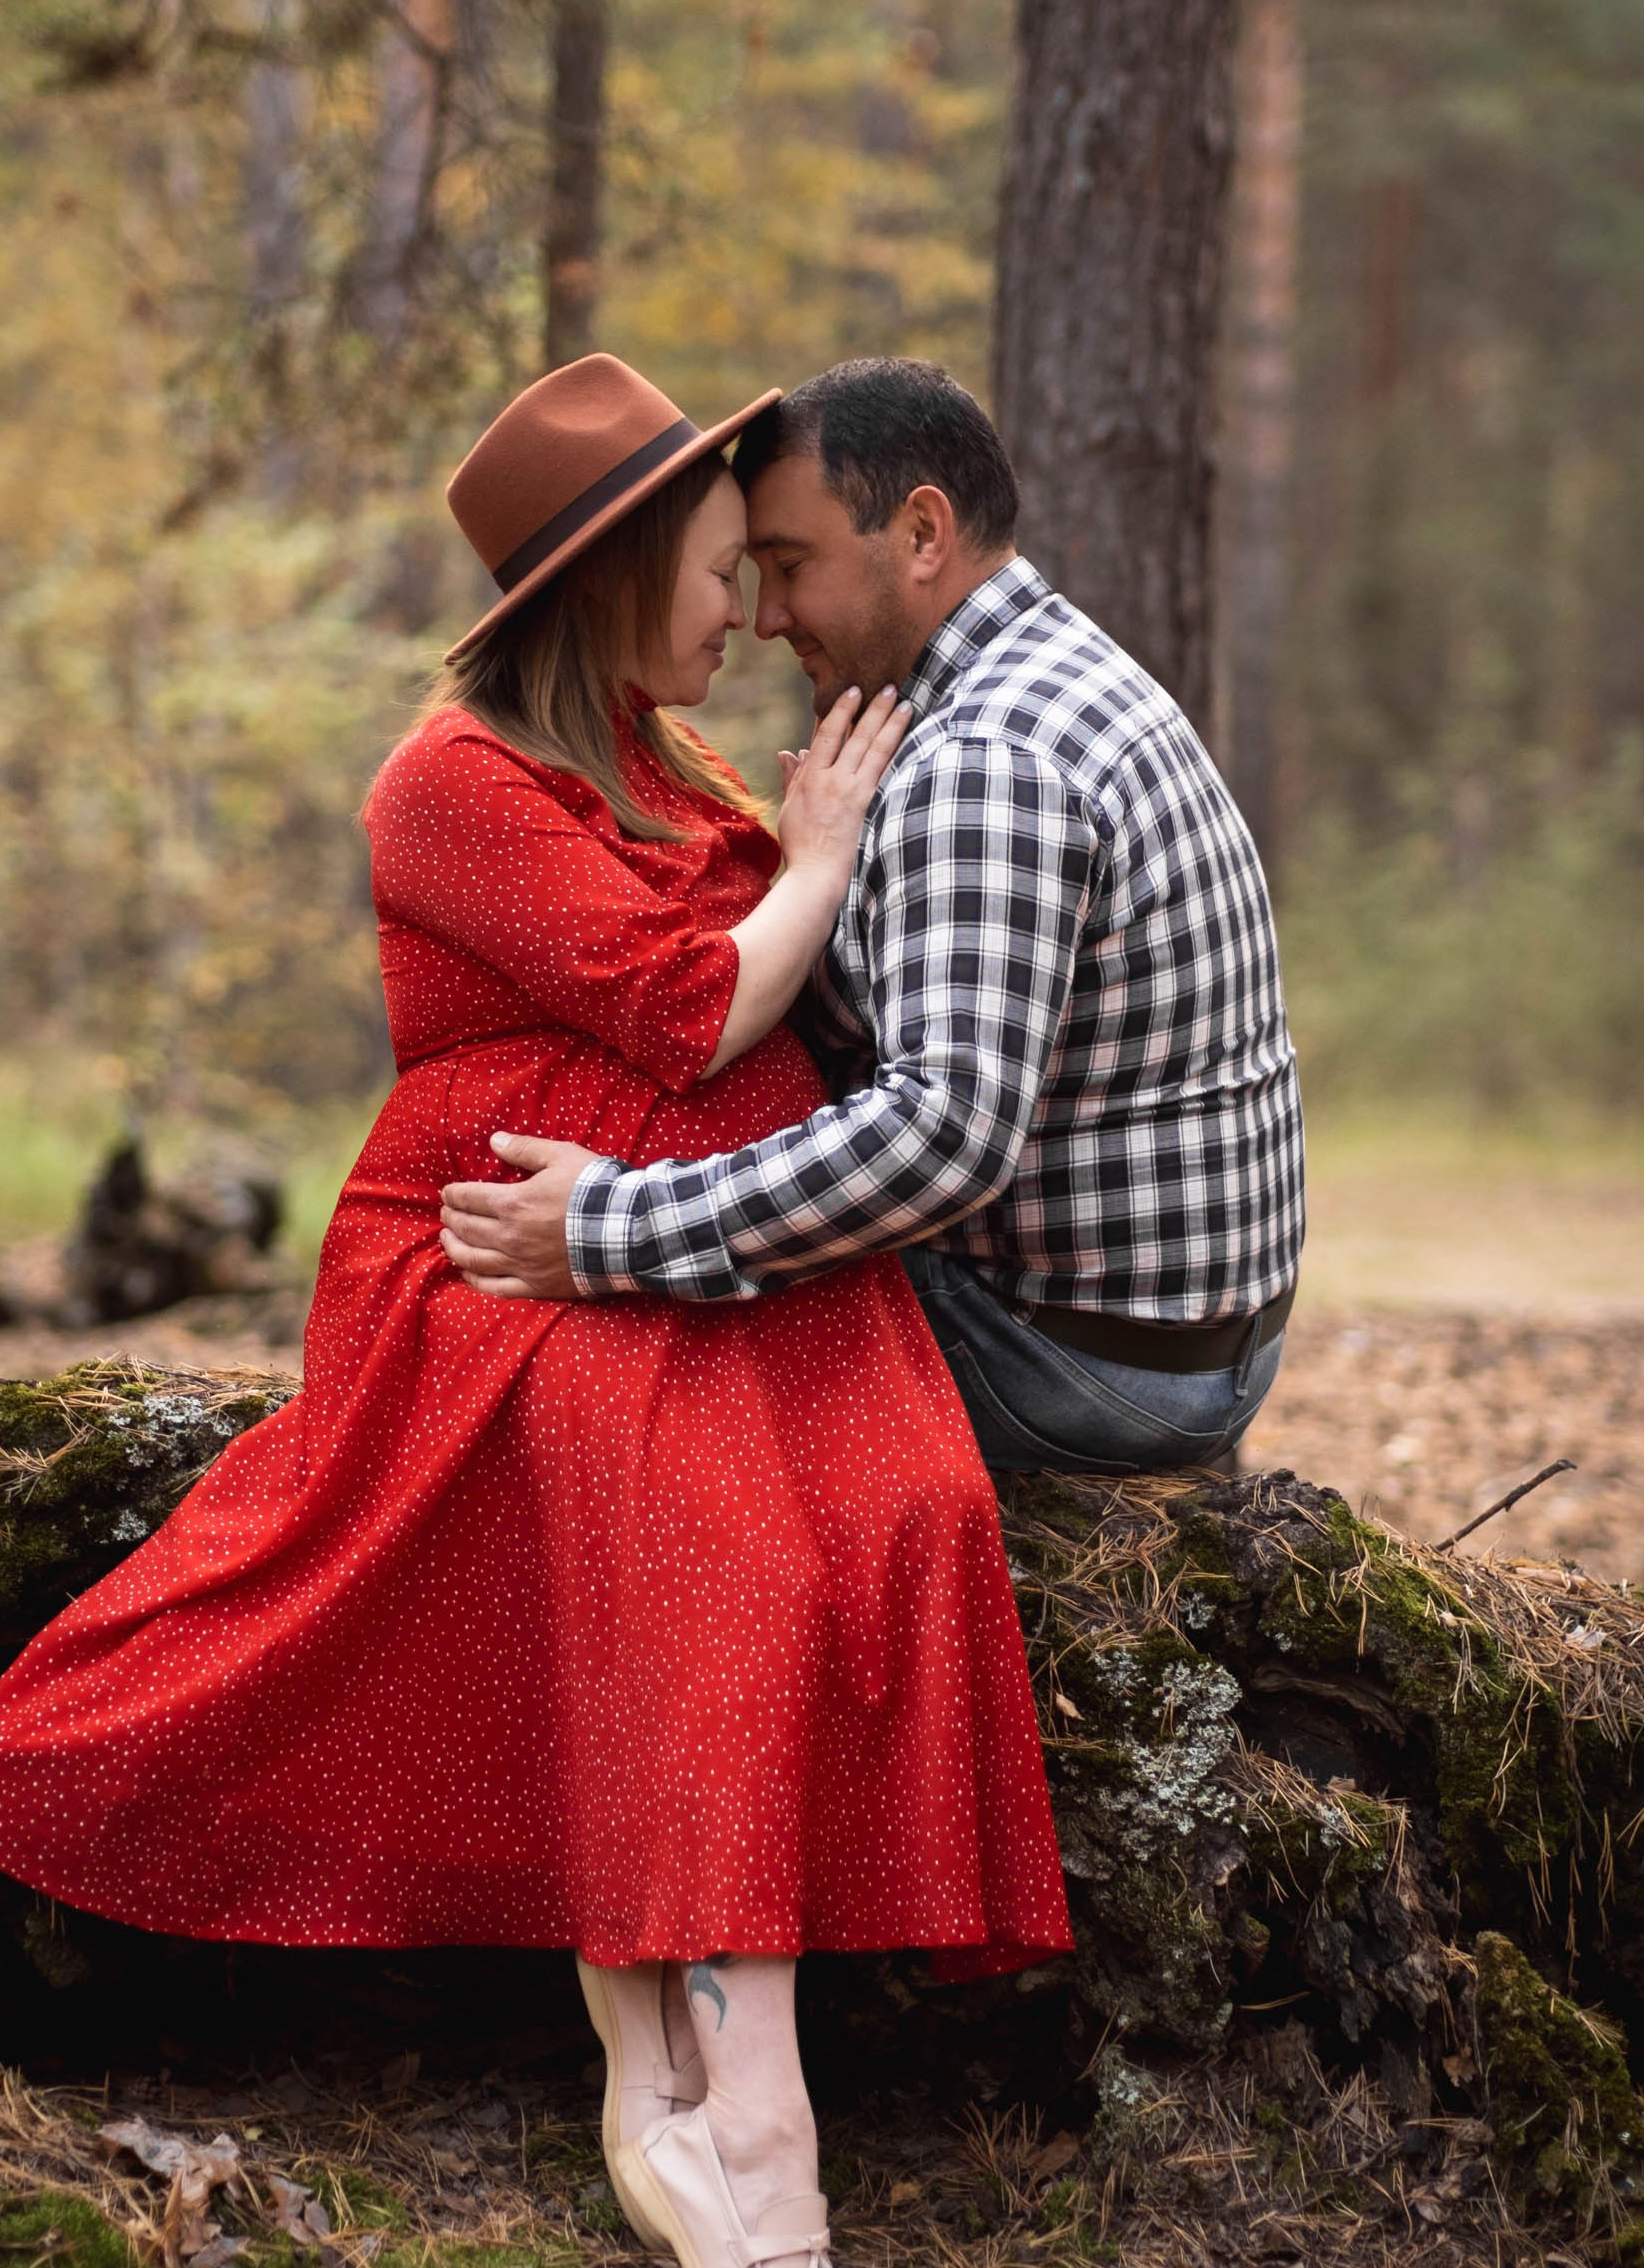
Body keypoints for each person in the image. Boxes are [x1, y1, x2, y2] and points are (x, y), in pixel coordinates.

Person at [0, 352, 1072, 2268]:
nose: (748, 614)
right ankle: (738, 2103)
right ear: (615, 576)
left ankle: (671, 2062)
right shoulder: (449, 782)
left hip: (693, 1243)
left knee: (901, 1501)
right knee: (708, 1544)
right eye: (717, 572)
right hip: (509, 1258)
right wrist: (818, 865)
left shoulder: (664, 758)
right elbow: (689, 1009)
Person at [439, 357, 1305, 1478]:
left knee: (576, 1369)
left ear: (921, 534)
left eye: (789, 566)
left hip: (1075, 1362)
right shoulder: (1043, 675)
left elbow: (940, 1138)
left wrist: (607, 1230)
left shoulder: (984, 758)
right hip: (1168, 1342)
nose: (766, 618)